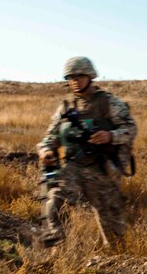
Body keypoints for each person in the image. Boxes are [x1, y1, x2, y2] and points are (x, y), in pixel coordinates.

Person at [37, 57, 137, 248]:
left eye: (80, 76)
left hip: (101, 169)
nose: (75, 80)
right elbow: (51, 136)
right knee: (56, 201)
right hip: (73, 166)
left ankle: (116, 261)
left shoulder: (109, 103)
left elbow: (130, 129)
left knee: (113, 226)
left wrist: (110, 135)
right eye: (71, 77)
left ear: (90, 76)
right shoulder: (66, 107)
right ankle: (57, 251)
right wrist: (46, 150)